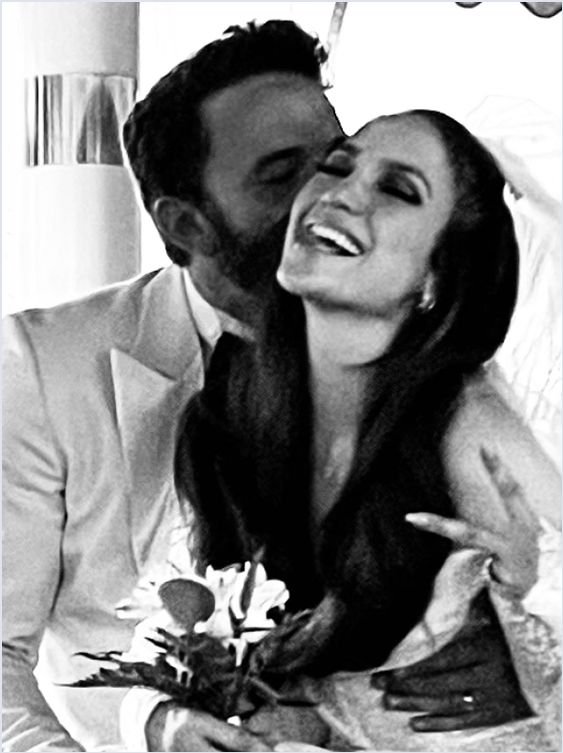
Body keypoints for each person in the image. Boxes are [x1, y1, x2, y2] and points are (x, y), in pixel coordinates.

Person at [1, 18, 550, 753]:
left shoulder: (456, 406)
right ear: (185, 225)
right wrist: (151, 722)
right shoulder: (53, 368)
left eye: (334, 156)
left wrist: (528, 655)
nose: (322, 196)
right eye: (282, 173)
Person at [174, 110, 561, 751]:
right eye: (336, 166)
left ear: (436, 276)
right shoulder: (229, 417)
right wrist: (161, 715)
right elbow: (198, 631)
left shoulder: (473, 436)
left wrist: (535, 624)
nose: (341, 194)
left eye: (398, 190)